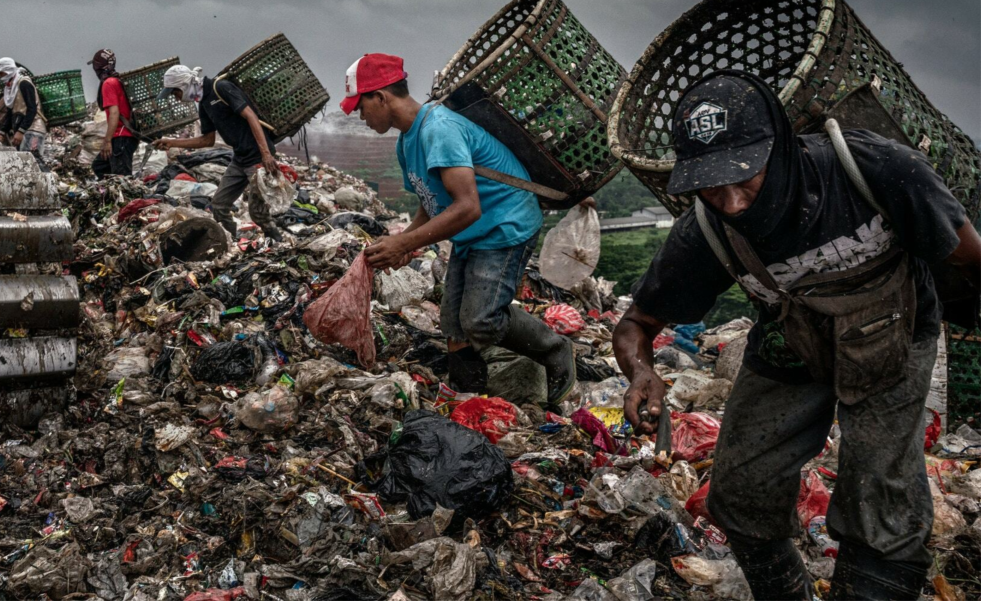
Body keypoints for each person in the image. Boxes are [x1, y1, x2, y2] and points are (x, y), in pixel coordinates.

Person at [612, 72, 981, 601]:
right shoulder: (706, 230)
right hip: (792, 343)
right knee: (740, 489)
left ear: (780, 147)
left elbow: (971, 259)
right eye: (713, 187)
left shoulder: (872, 170)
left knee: (881, 496)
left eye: (747, 177)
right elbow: (636, 325)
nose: (734, 202)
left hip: (892, 334)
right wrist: (641, 373)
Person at [340, 52, 576, 411]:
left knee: (481, 320)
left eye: (361, 106)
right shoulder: (407, 141)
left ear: (381, 97)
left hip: (504, 224)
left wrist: (406, 240)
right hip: (472, 232)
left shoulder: (439, 129)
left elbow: (467, 206)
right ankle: (469, 396)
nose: (361, 116)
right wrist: (409, 245)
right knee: (453, 326)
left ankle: (556, 350)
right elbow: (431, 198)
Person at [156, 64, 285, 241]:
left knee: (257, 213)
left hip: (257, 157)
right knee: (218, 206)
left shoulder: (220, 88)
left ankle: (280, 242)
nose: (176, 98)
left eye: (175, 93)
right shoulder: (203, 103)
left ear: (184, 85)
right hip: (239, 159)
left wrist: (266, 154)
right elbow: (207, 140)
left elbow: (251, 116)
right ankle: (230, 241)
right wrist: (172, 143)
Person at [0, 57, 48, 168]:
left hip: (33, 129)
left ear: (7, 71)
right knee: (24, 165)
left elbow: (32, 109)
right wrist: (2, 132)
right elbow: (11, 112)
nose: (0, 77)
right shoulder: (12, 88)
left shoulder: (24, 83)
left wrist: (21, 131)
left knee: (33, 163)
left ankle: (49, 184)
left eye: (1, 74)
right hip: (24, 131)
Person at [88, 49, 138, 177]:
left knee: (121, 177)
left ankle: (127, 197)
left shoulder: (109, 83)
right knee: (99, 166)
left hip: (121, 136)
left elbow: (114, 113)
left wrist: (108, 140)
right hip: (126, 136)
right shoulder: (117, 80)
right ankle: (107, 195)